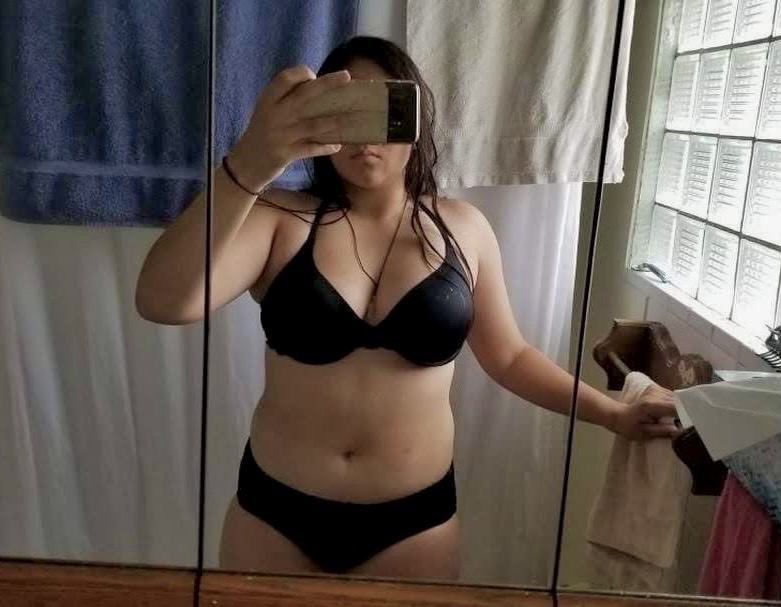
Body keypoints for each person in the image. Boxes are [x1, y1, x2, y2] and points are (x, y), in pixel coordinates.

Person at [135, 36, 677, 580]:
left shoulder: (463, 229)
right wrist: (250, 164)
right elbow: (163, 300)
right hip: (275, 515)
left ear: (415, 119)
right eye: (347, 109)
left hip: (413, 525)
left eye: (385, 108)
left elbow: (509, 357)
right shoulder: (278, 218)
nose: (367, 135)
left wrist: (613, 414)